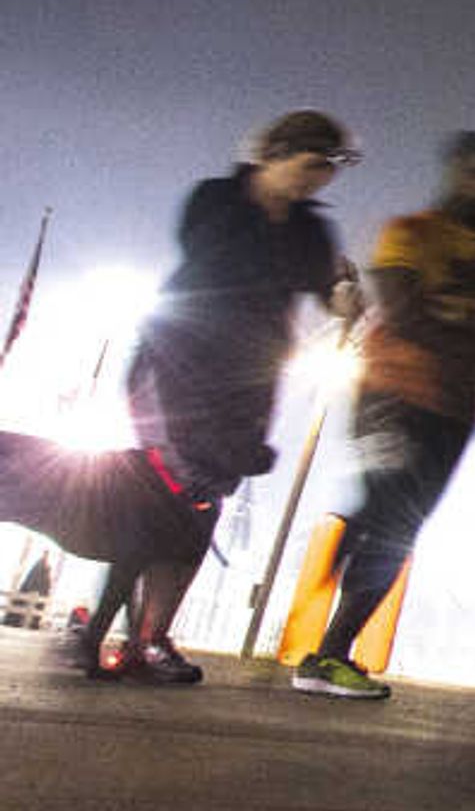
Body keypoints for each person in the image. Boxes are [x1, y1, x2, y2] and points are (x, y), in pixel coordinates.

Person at [74, 114, 365, 682]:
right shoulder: (217, 201)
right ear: (276, 153)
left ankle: (148, 639)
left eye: (326, 174)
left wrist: (343, 296)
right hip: (175, 368)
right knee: (167, 491)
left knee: (201, 507)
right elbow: (217, 266)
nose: (315, 183)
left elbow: (330, 293)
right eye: (309, 168)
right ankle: (99, 633)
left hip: (247, 388)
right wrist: (309, 275)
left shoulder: (311, 231)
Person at [296, 131, 475, 702]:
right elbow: (405, 313)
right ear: (454, 171)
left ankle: (331, 649)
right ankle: (328, 654)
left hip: (456, 407)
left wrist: (452, 310)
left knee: (397, 524)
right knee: (385, 512)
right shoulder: (410, 232)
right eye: (474, 171)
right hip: (388, 392)